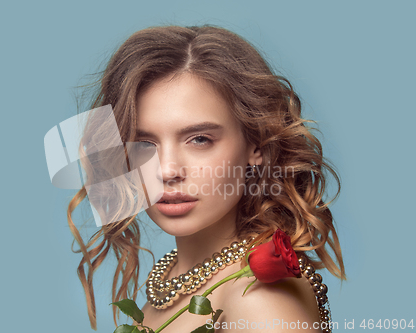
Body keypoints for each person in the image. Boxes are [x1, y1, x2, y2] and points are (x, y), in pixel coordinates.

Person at [67, 25, 346, 332]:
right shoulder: (178, 277)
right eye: (144, 144)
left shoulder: (259, 302)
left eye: (199, 139)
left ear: (257, 146)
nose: (167, 170)